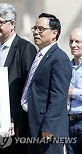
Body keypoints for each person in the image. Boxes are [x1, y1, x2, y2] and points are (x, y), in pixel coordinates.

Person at [19, 13, 72, 154]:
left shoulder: (59, 58)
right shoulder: (39, 56)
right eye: (34, 28)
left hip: (48, 130)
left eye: (41, 29)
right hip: (33, 124)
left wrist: (48, 126)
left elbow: (58, 96)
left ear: (54, 33)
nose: (36, 32)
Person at [0, 3, 37, 153]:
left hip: (18, 126)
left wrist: (16, 121)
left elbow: (30, 88)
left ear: (12, 24)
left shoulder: (25, 48)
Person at [66, 28, 82, 154]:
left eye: (77, 41)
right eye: (71, 41)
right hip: (69, 122)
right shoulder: (67, 66)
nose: (73, 45)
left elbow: (68, 91)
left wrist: (73, 92)